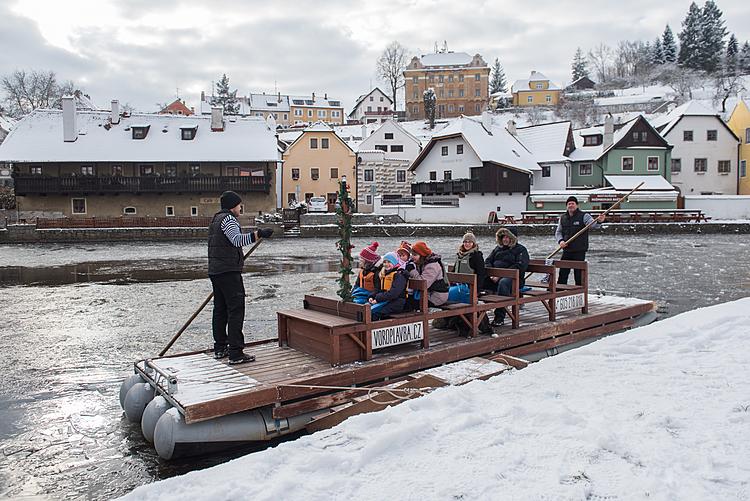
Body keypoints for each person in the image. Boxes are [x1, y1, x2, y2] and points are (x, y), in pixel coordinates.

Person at [208, 191, 273, 364]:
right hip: (228, 272)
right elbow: (236, 240)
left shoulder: (215, 219)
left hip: (216, 271)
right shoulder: (228, 219)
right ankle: (236, 353)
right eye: (238, 205)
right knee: (235, 311)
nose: (240, 208)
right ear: (232, 205)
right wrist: (259, 234)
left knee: (220, 310)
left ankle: (220, 348)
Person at [483, 227, 529, 327]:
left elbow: (520, 266)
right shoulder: (497, 249)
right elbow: (487, 261)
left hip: (514, 280)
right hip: (495, 277)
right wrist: (491, 274)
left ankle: (499, 316)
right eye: (503, 237)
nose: (505, 239)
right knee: (479, 280)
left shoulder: (521, 250)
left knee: (503, 283)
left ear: (513, 238)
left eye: (508, 237)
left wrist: (500, 275)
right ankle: (477, 313)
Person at [555, 196, 605, 286]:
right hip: (567, 249)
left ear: (577, 205)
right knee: (563, 273)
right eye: (569, 204)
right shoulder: (563, 218)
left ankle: (579, 294)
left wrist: (599, 221)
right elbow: (558, 232)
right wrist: (560, 241)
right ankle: (559, 293)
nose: (571, 205)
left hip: (579, 250)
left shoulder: (584, 216)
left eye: (573, 203)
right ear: (566, 206)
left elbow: (593, 225)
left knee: (578, 274)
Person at [449, 232, 492, 335]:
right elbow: (454, 271)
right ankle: (455, 322)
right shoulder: (459, 255)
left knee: (464, 303)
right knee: (448, 297)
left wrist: (476, 290)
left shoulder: (476, 256)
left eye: (469, 242)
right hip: (458, 286)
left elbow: (481, 274)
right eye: (465, 242)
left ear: (473, 243)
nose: (467, 244)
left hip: (470, 288)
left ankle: (471, 325)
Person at [405, 241, 449, 309]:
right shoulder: (420, 263)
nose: (412, 257)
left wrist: (412, 270)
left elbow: (423, 283)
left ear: (422, 255)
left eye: (415, 255)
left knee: (407, 305)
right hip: (425, 294)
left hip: (436, 296)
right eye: (412, 254)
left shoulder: (432, 266)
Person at [368, 252, 408, 320]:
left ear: (395, 262)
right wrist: (372, 296)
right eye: (384, 262)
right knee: (366, 309)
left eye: (389, 262)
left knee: (376, 313)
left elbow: (394, 293)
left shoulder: (399, 275)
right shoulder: (385, 274)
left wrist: (378, 299)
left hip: (397, 302)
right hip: (386, 299)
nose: (386, 264)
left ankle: (375, 329)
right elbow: (379, 289)